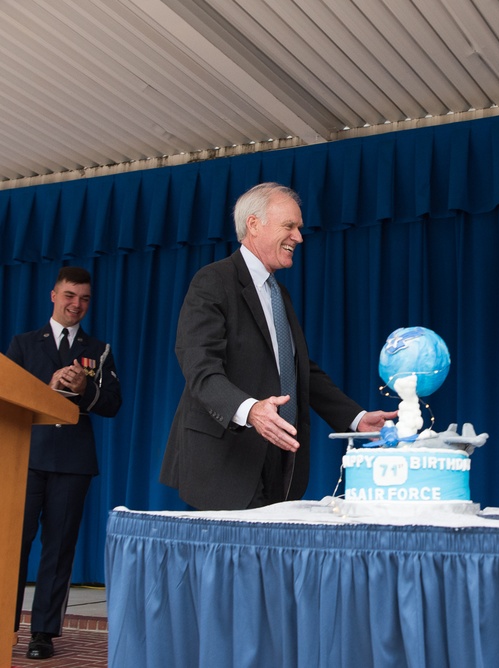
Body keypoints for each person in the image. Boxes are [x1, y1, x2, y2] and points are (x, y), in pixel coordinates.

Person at [160, 182, 396, 510]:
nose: (299, 237)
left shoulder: (278, 294)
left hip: (279, 461)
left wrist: (356, 419)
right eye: (289, 226)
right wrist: (251, 410)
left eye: (299, 228)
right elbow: (199, 368)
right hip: (225, 462)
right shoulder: (213, 281)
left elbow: (299, 370)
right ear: (254, 224)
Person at [6, 266, 122, 660]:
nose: (77, 305)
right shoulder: (23, 344)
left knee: (59, 548)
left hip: (73, 461)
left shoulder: (99, 349)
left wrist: (85, 388)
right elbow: (8, 397)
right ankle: (5, 625)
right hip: (27, 456)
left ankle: (43, 633)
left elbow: (113, 405)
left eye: (85, 299)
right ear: (53, 296)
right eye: (70, 296)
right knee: (12, 545)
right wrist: (49, 388)